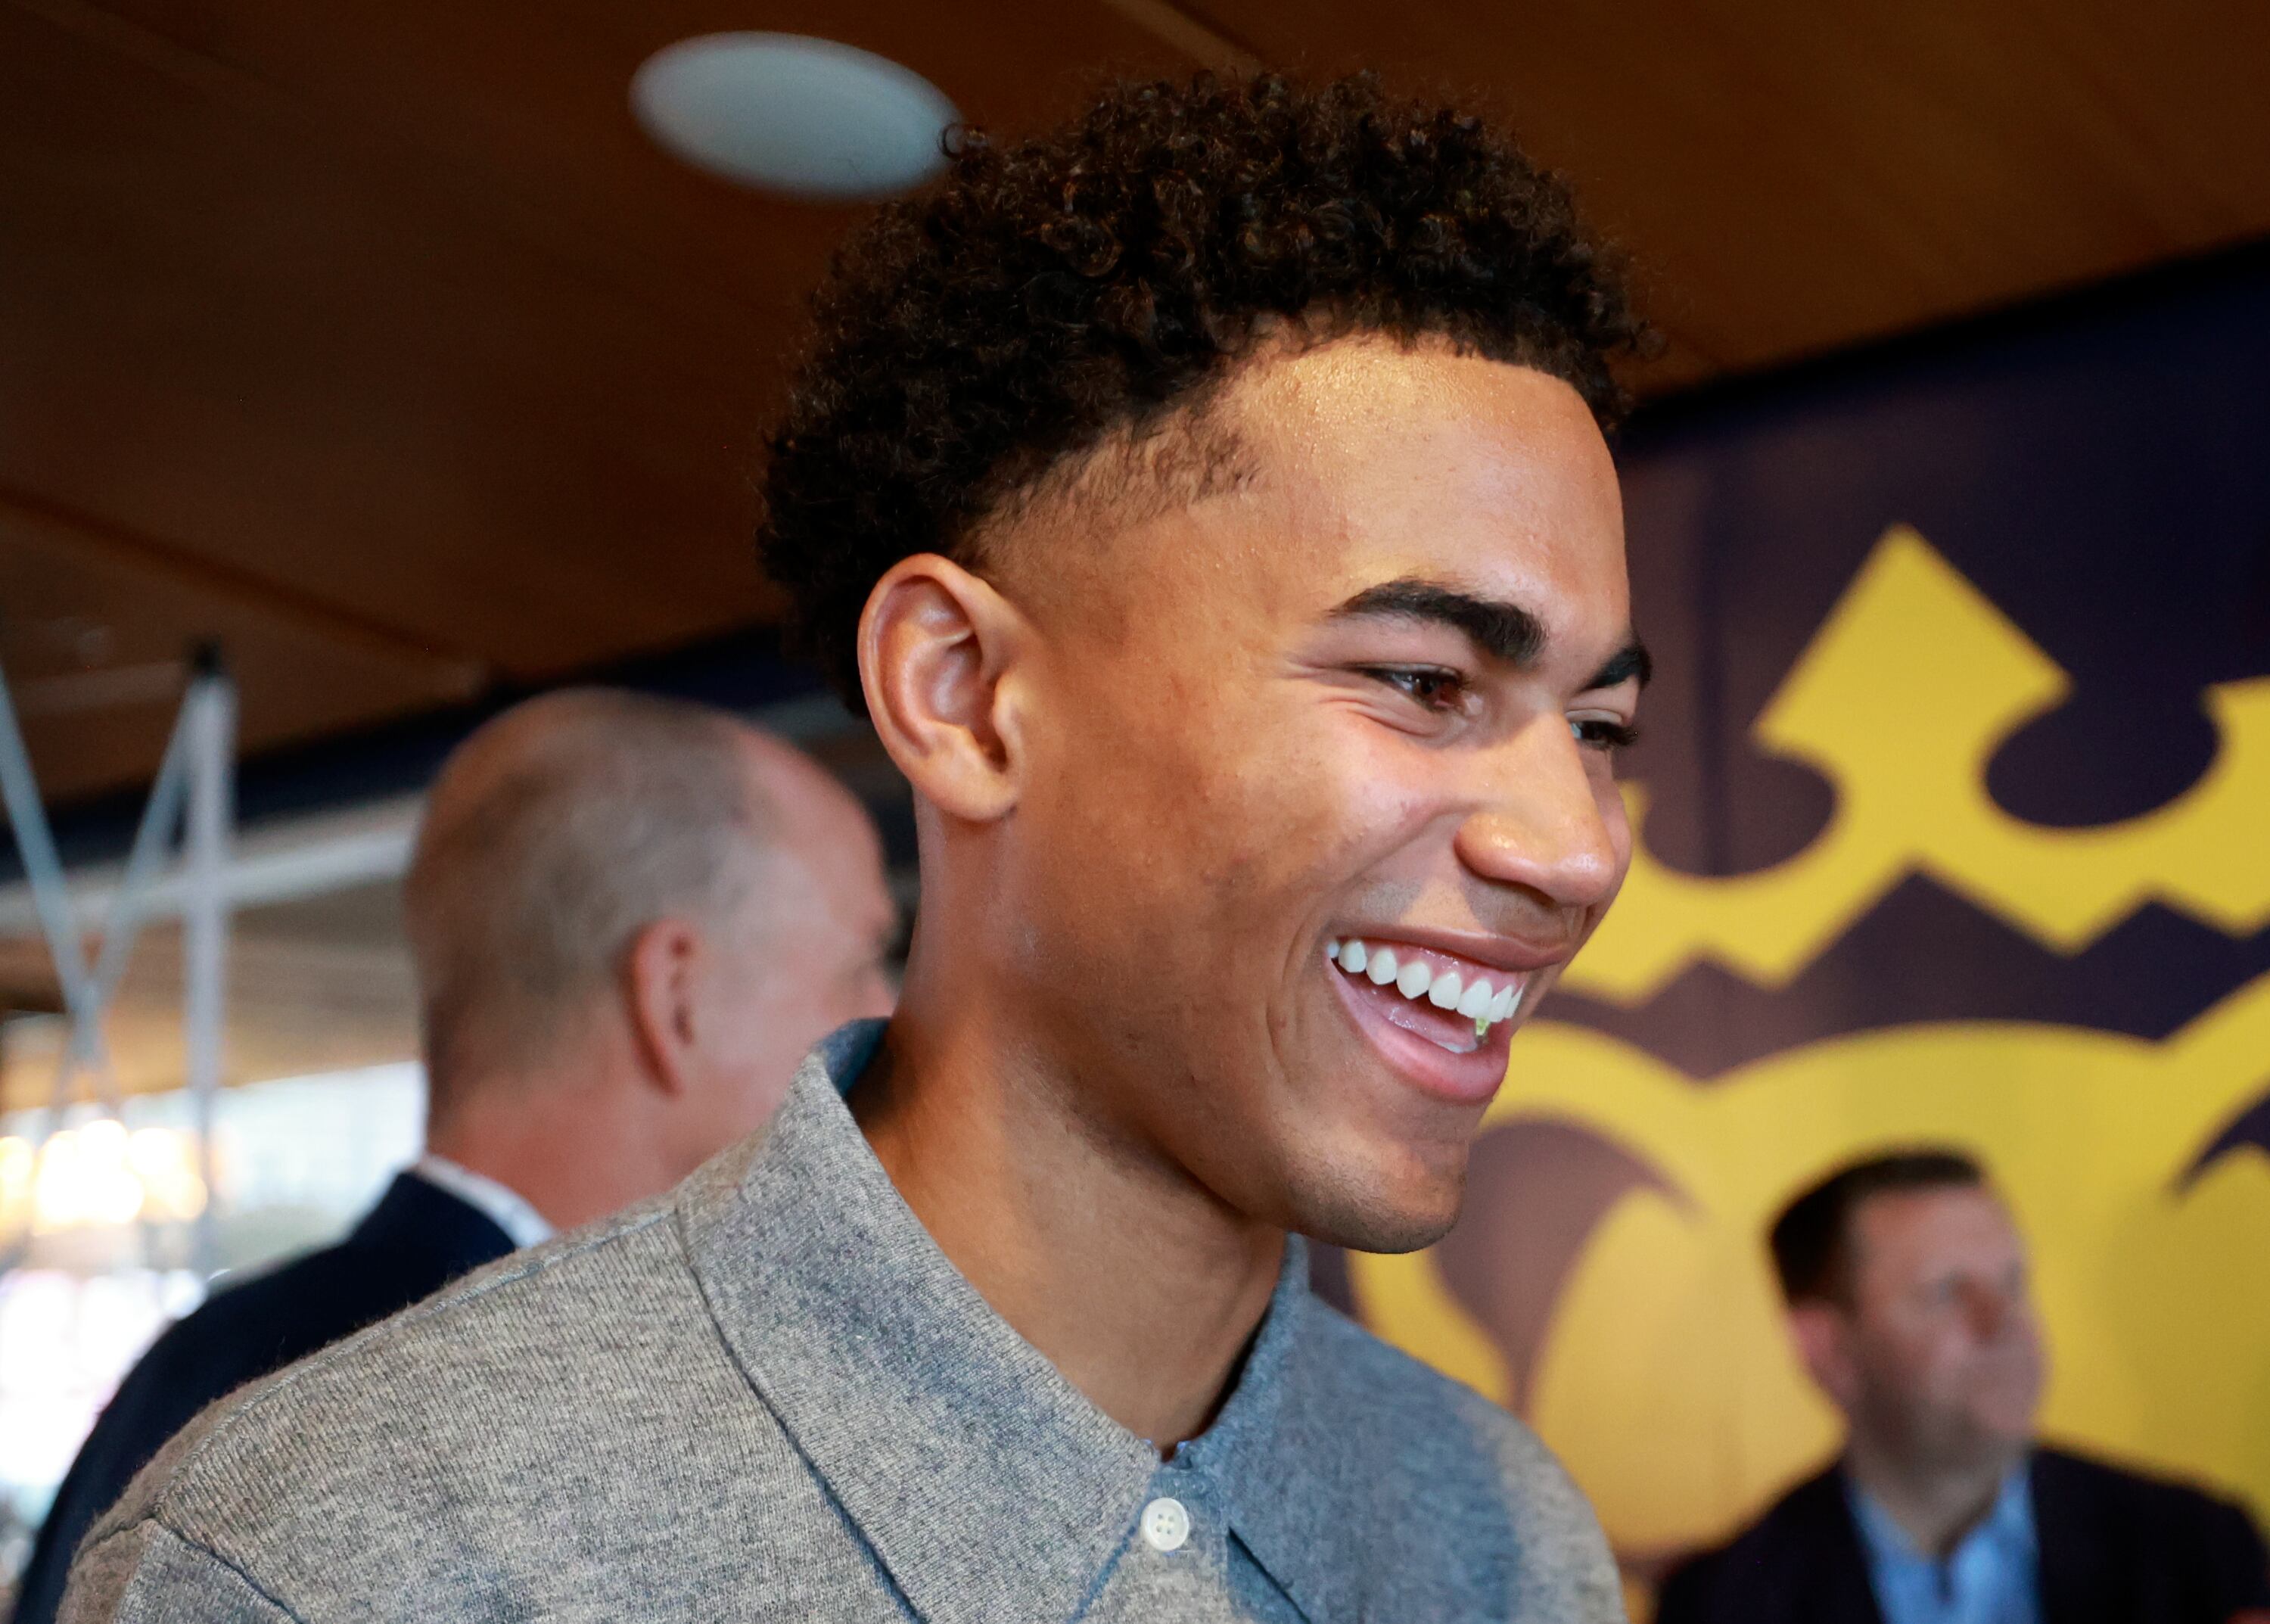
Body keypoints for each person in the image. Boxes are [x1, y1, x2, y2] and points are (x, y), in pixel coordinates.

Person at [64, 72, 1653, 1621]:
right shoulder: (352, 1558)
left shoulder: (1503, 1530)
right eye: (1425, 682)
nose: (1578, 849)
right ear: (961, 695)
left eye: (1599, 725)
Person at [20, 687, 894, 1623]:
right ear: (677, 995)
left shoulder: (224, 1360)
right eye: (865, 965)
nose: (892, 1018)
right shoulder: (450, 1411)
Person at [1656, 1150, 2270, 1624]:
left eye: (2013, 1282)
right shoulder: (1725, 1601)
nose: (2005, 1324)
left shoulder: (2199, 1549)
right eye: (1948, 1292)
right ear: (1829, 1348)